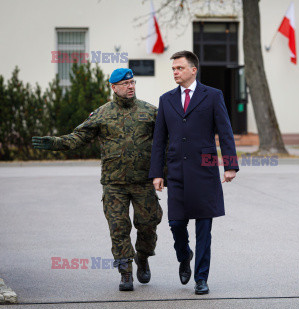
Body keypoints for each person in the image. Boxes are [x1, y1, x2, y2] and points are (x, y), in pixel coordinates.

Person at [32, 68, 163, 292]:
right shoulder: (102, 114)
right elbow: (78, 137)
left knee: (148, 224)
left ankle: (143, 256)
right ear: (114, 87)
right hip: (114, 184)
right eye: (125, 84)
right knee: (118, 228)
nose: (130, 86)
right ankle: (125, 272)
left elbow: (166, 142)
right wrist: (55, 143)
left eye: (133, 82)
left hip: (143, 181)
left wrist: (166, 171)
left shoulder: (150, 112)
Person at [149, 51, 239, 295]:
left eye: (179, 68)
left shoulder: (212, 96)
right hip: (176, 171)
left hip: (204, 171)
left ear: (193, 69)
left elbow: (225, 131)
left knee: (203, 229)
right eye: (173, 69)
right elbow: (159, 140)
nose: (175, 72)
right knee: (176, 223)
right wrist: (157, 173)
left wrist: (230, 165)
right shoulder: (166, 100)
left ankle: (201, 278)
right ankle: (184, 254)